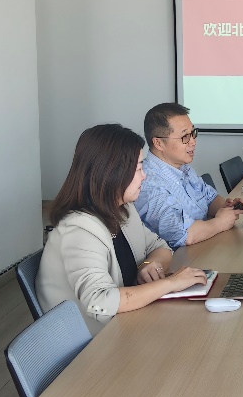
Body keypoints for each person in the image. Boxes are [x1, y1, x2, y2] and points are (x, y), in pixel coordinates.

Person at [37, 123, 208, 332]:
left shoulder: (122, 208)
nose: (144, 176)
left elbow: (160, 246)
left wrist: (148, 264)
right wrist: (172, 283)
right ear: (112, 174)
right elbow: (101, 302)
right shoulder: (79, 230)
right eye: (138, 169)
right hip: (96, 340)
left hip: (128, 320)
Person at [135, 102, 243, 248]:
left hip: (204, 246)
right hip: (181, 258)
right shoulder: (148, 184)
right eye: (185, 136)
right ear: (158, 143)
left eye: (193, 133)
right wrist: (220, 222)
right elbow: (183, 235)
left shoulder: (183, 168)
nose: (193, 142)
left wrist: (226, 208)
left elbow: (209, 197)